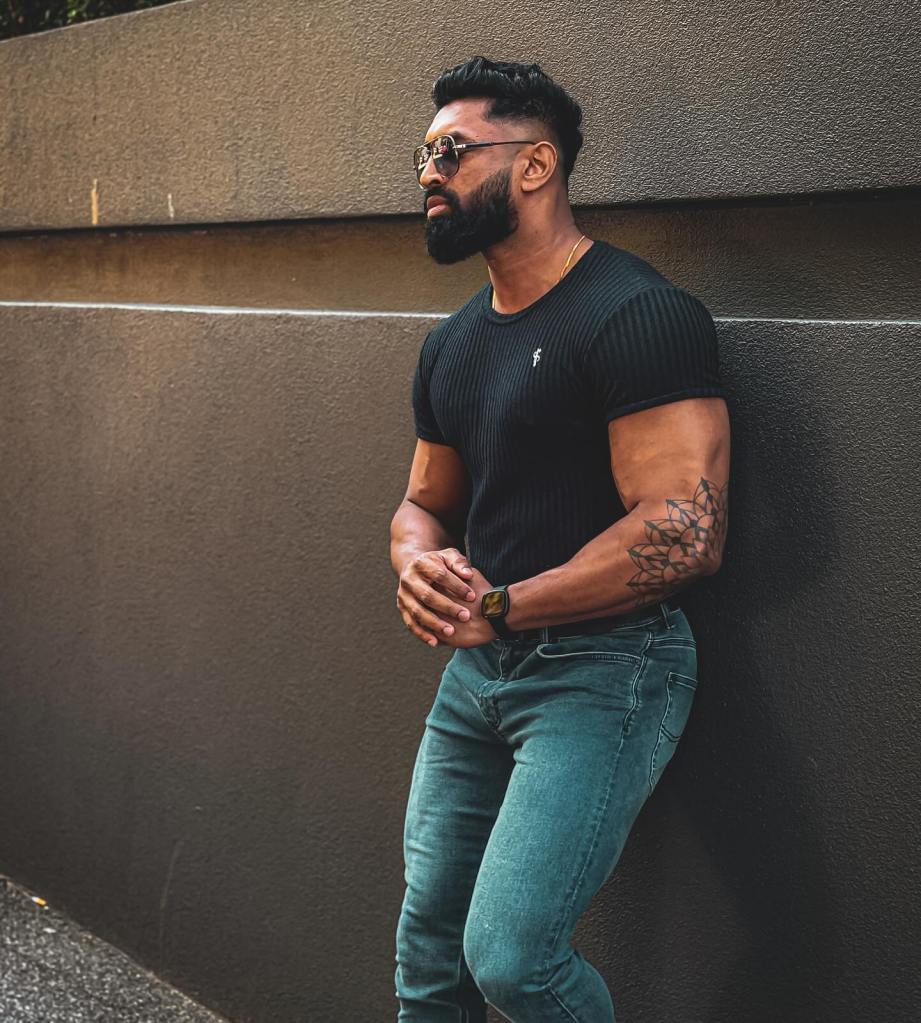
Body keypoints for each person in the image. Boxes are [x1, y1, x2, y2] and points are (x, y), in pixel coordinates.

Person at [390, 55, 730, 1022]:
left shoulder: (637, 314)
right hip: (477, 672)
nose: (429, 172)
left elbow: (683, 531)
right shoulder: (453, 342)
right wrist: (416, 564)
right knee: (428, 954)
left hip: (606, 668)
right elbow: (421, 504)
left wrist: (500, 606)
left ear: (534, 166)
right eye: (423, 154)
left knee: (512, 962)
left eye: (453, 151)